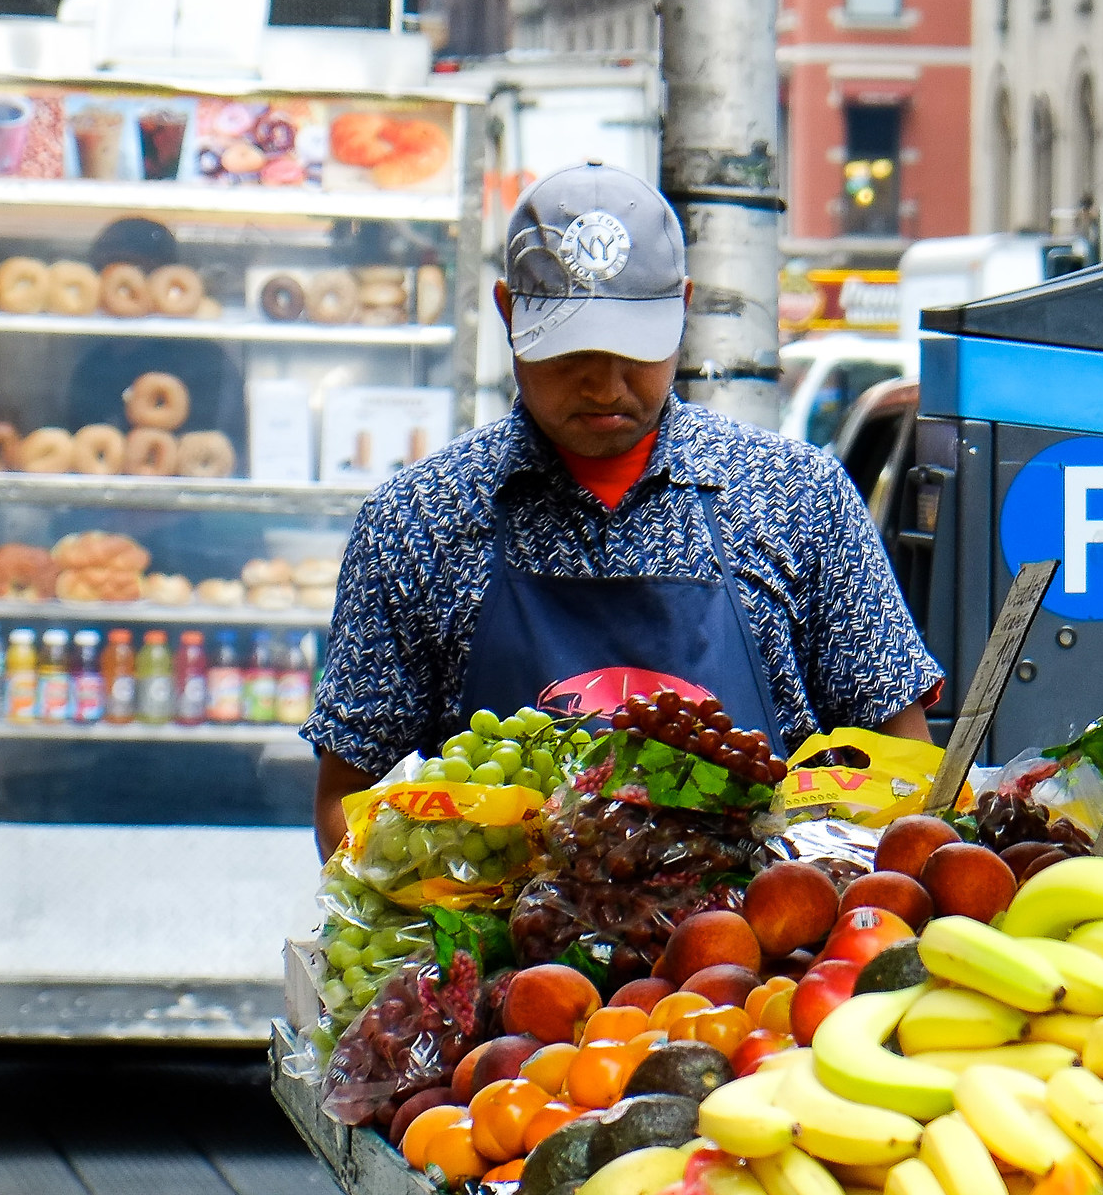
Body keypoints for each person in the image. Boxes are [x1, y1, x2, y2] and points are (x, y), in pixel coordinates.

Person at [302, 162, 940, 853]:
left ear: (684, 307)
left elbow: (906, 777)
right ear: (508, 312)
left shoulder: (800, 499)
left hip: (757, 953)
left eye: (635, 350)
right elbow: (346, 803)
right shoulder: (417, 522)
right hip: (508, 955)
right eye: (570, 350)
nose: (605, 383)